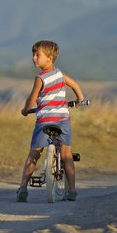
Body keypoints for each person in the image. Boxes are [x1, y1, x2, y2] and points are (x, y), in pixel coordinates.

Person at [16, 40, 86, 202]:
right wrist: (80, 100)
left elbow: (32, 99)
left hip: (44, 120)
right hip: (62, 119)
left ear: (49, 58)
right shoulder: (60, 74)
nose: (33, 58)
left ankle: (23, 189)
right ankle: (72, 191)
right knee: (67, 155)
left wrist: (25, 110)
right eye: (33, 54)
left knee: (34, 154)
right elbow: (75, 85)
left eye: (37, 55)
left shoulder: (40, 78)